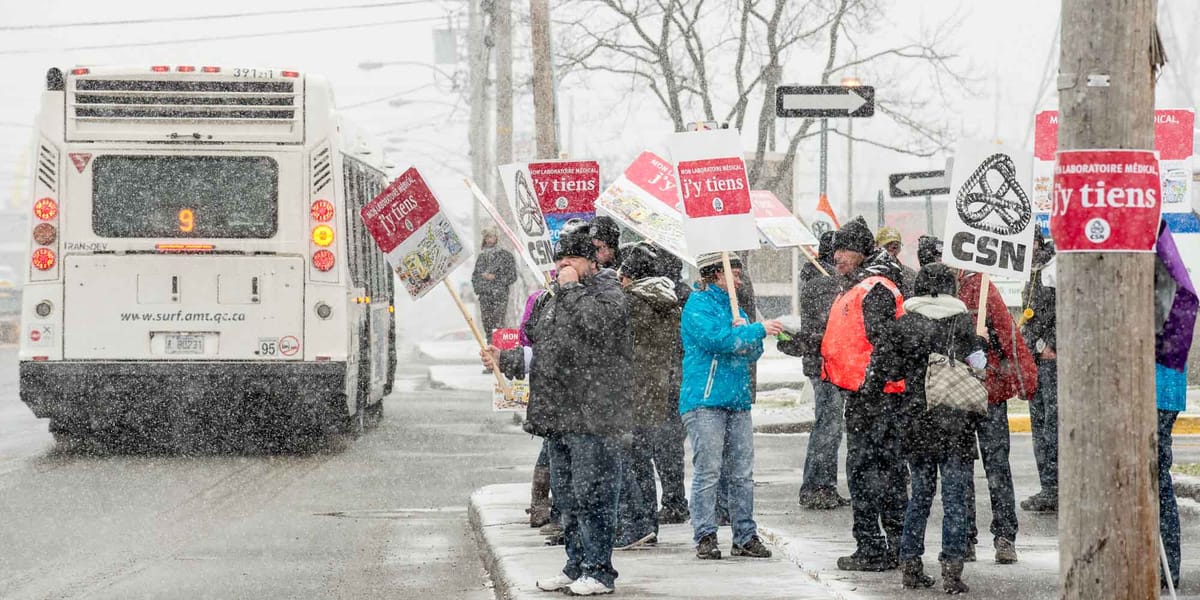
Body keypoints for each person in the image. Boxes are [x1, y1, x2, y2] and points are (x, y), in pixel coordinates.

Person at [482, 221, 632, 596]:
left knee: (593, 495)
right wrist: (507, 358)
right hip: (560, 416)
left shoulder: (606, 291)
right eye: (559, 259)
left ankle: (599, 571)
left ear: (590, 260)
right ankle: (575, 564)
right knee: (566, 499)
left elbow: (597, 327)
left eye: (571, 259)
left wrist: (569, 289)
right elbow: (545, 347)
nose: (563, 265)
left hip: (594, 415)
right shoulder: (555, 296)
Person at [680, 252, 783, 560]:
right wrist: (750, 331)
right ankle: (705, 535)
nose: (739, 281)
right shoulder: (698, 305)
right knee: (708, 471)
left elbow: (753, 351)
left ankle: (745, 535)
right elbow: (719, 340)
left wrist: (748, 334)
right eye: (734, 275)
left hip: (737, 401)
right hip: (705, 401)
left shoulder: (736, 308)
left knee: (741, 473)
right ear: (716, 275)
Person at [892, 263, 987, 594]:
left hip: (918, 422)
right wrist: (981, 345)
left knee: (919, 495)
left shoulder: (904, 324)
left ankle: (911, 564)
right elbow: (979, 366)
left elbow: (885, 372)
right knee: (955, 498)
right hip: (955, 423)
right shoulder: (961, 321)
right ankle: (952, 570)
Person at [822, 217, 909, 572]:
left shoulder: (873, 287)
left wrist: (870, 386)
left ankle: (876, 546)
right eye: (836, 250)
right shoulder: (856, 284)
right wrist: (809, 345)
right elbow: (852, 340)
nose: (837, 256)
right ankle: (893, 546)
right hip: (866, 395)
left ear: (860, 251)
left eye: (844, 250)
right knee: (878, 472)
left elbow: (886, 343)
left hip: (876, 399)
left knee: (870, 472)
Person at [957, 268, 1037, 564]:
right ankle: (964, 537)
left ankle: (1004, 537)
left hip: (988, 392)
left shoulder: (983, 287)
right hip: (959, 396)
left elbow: (1008, 332)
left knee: (996, 467)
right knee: (961, 469)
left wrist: (1025, 378)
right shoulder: (946, 284)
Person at [613, 242, 681, 548]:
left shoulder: (630, 303)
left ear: (629, 277)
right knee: (645, 459)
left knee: (629, 461)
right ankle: (648, 522)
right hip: (660, 391)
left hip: (633, 391)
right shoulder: (669, 301)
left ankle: (636, 524)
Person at [779, 230, 850, 509]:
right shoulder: (825, 283)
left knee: (829, 426)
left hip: (824, 361)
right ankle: (817, 487)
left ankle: (822, 485)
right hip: (826, 362)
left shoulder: (817, 279)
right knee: (829, 427)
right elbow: (827, 327)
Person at [1153, 222, 1198, 590]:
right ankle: (1168, 566)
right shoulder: (1177, 286)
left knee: (1152, 481)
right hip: (1165, 393)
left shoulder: (1157, 286)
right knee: (1158, 479)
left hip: (1149, 394)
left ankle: (1161, 564)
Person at [1020, 230, 1059, 513]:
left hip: (1052, 359)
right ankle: (1048, 486)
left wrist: (1054, 344)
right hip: (1035, 358)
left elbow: (1067, 307)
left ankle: (1058, 487)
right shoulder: (1030, 271)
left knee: (1052, 425)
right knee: (1039, 424)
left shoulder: (1054, 267)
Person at [652, 249, 691, 524]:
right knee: (671, 444)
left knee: (666, 444)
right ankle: (675, 499)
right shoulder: (685, 295)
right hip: (680, 376)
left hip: (667, 378)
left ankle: (674, 501)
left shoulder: (663, 297)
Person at [471, 227, 517, 347]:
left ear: (496, 238)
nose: (489, 240)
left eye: (491, 236)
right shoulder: (481, 258)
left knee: (498, 326)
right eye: (487, 237)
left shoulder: (506, 256)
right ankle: (492, 353)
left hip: (500, 296)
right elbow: (475, 277)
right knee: (487, 326)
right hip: (485, 297)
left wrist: (495, 278)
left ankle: (499, 353)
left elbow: (512, 276)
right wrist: (481, 289)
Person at [876, 226, 917, 296]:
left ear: (899, 249)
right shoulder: (869, 273)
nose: (891, 251)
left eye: (895, 247)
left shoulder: (910, 275)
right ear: (876, 247)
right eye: (886, 246)